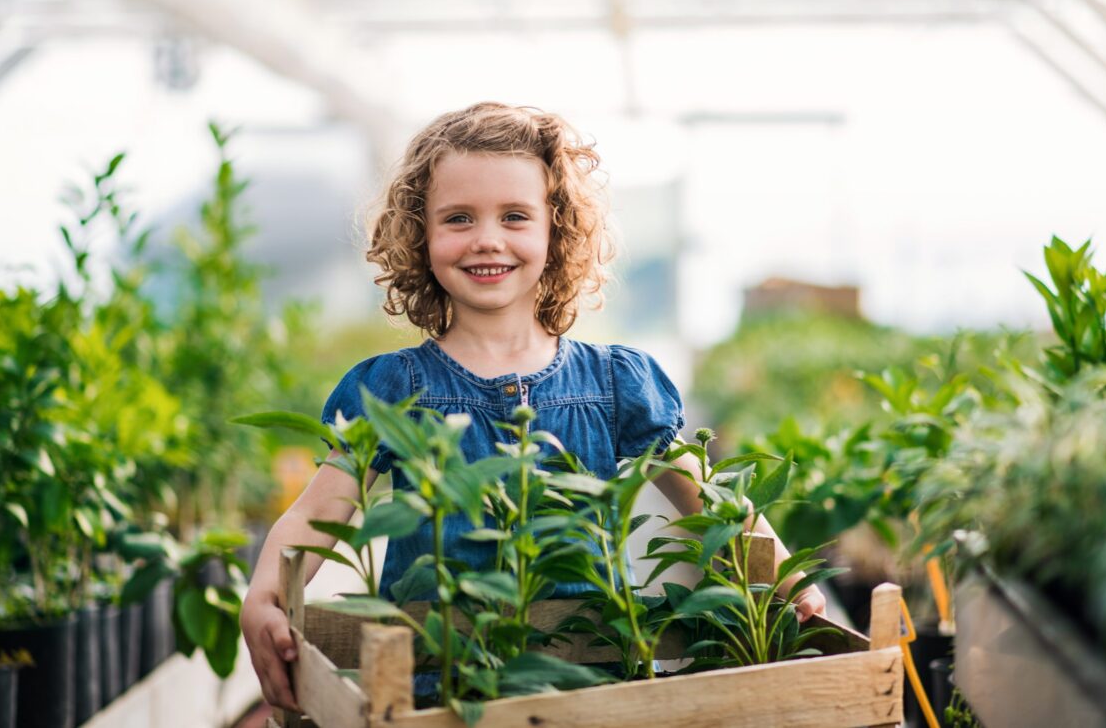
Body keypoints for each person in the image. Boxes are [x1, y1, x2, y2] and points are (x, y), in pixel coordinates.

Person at [239, 102, 827, 711]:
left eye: (515, 216)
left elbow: (712, 506)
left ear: (556, 228)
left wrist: (788, 577)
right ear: (421, 234)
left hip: (588, 688)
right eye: (458, 218)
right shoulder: (392, 388)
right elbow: (317, 512)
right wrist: (262, 595)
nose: (486, 239)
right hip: (439, 695)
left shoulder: (616, 383)